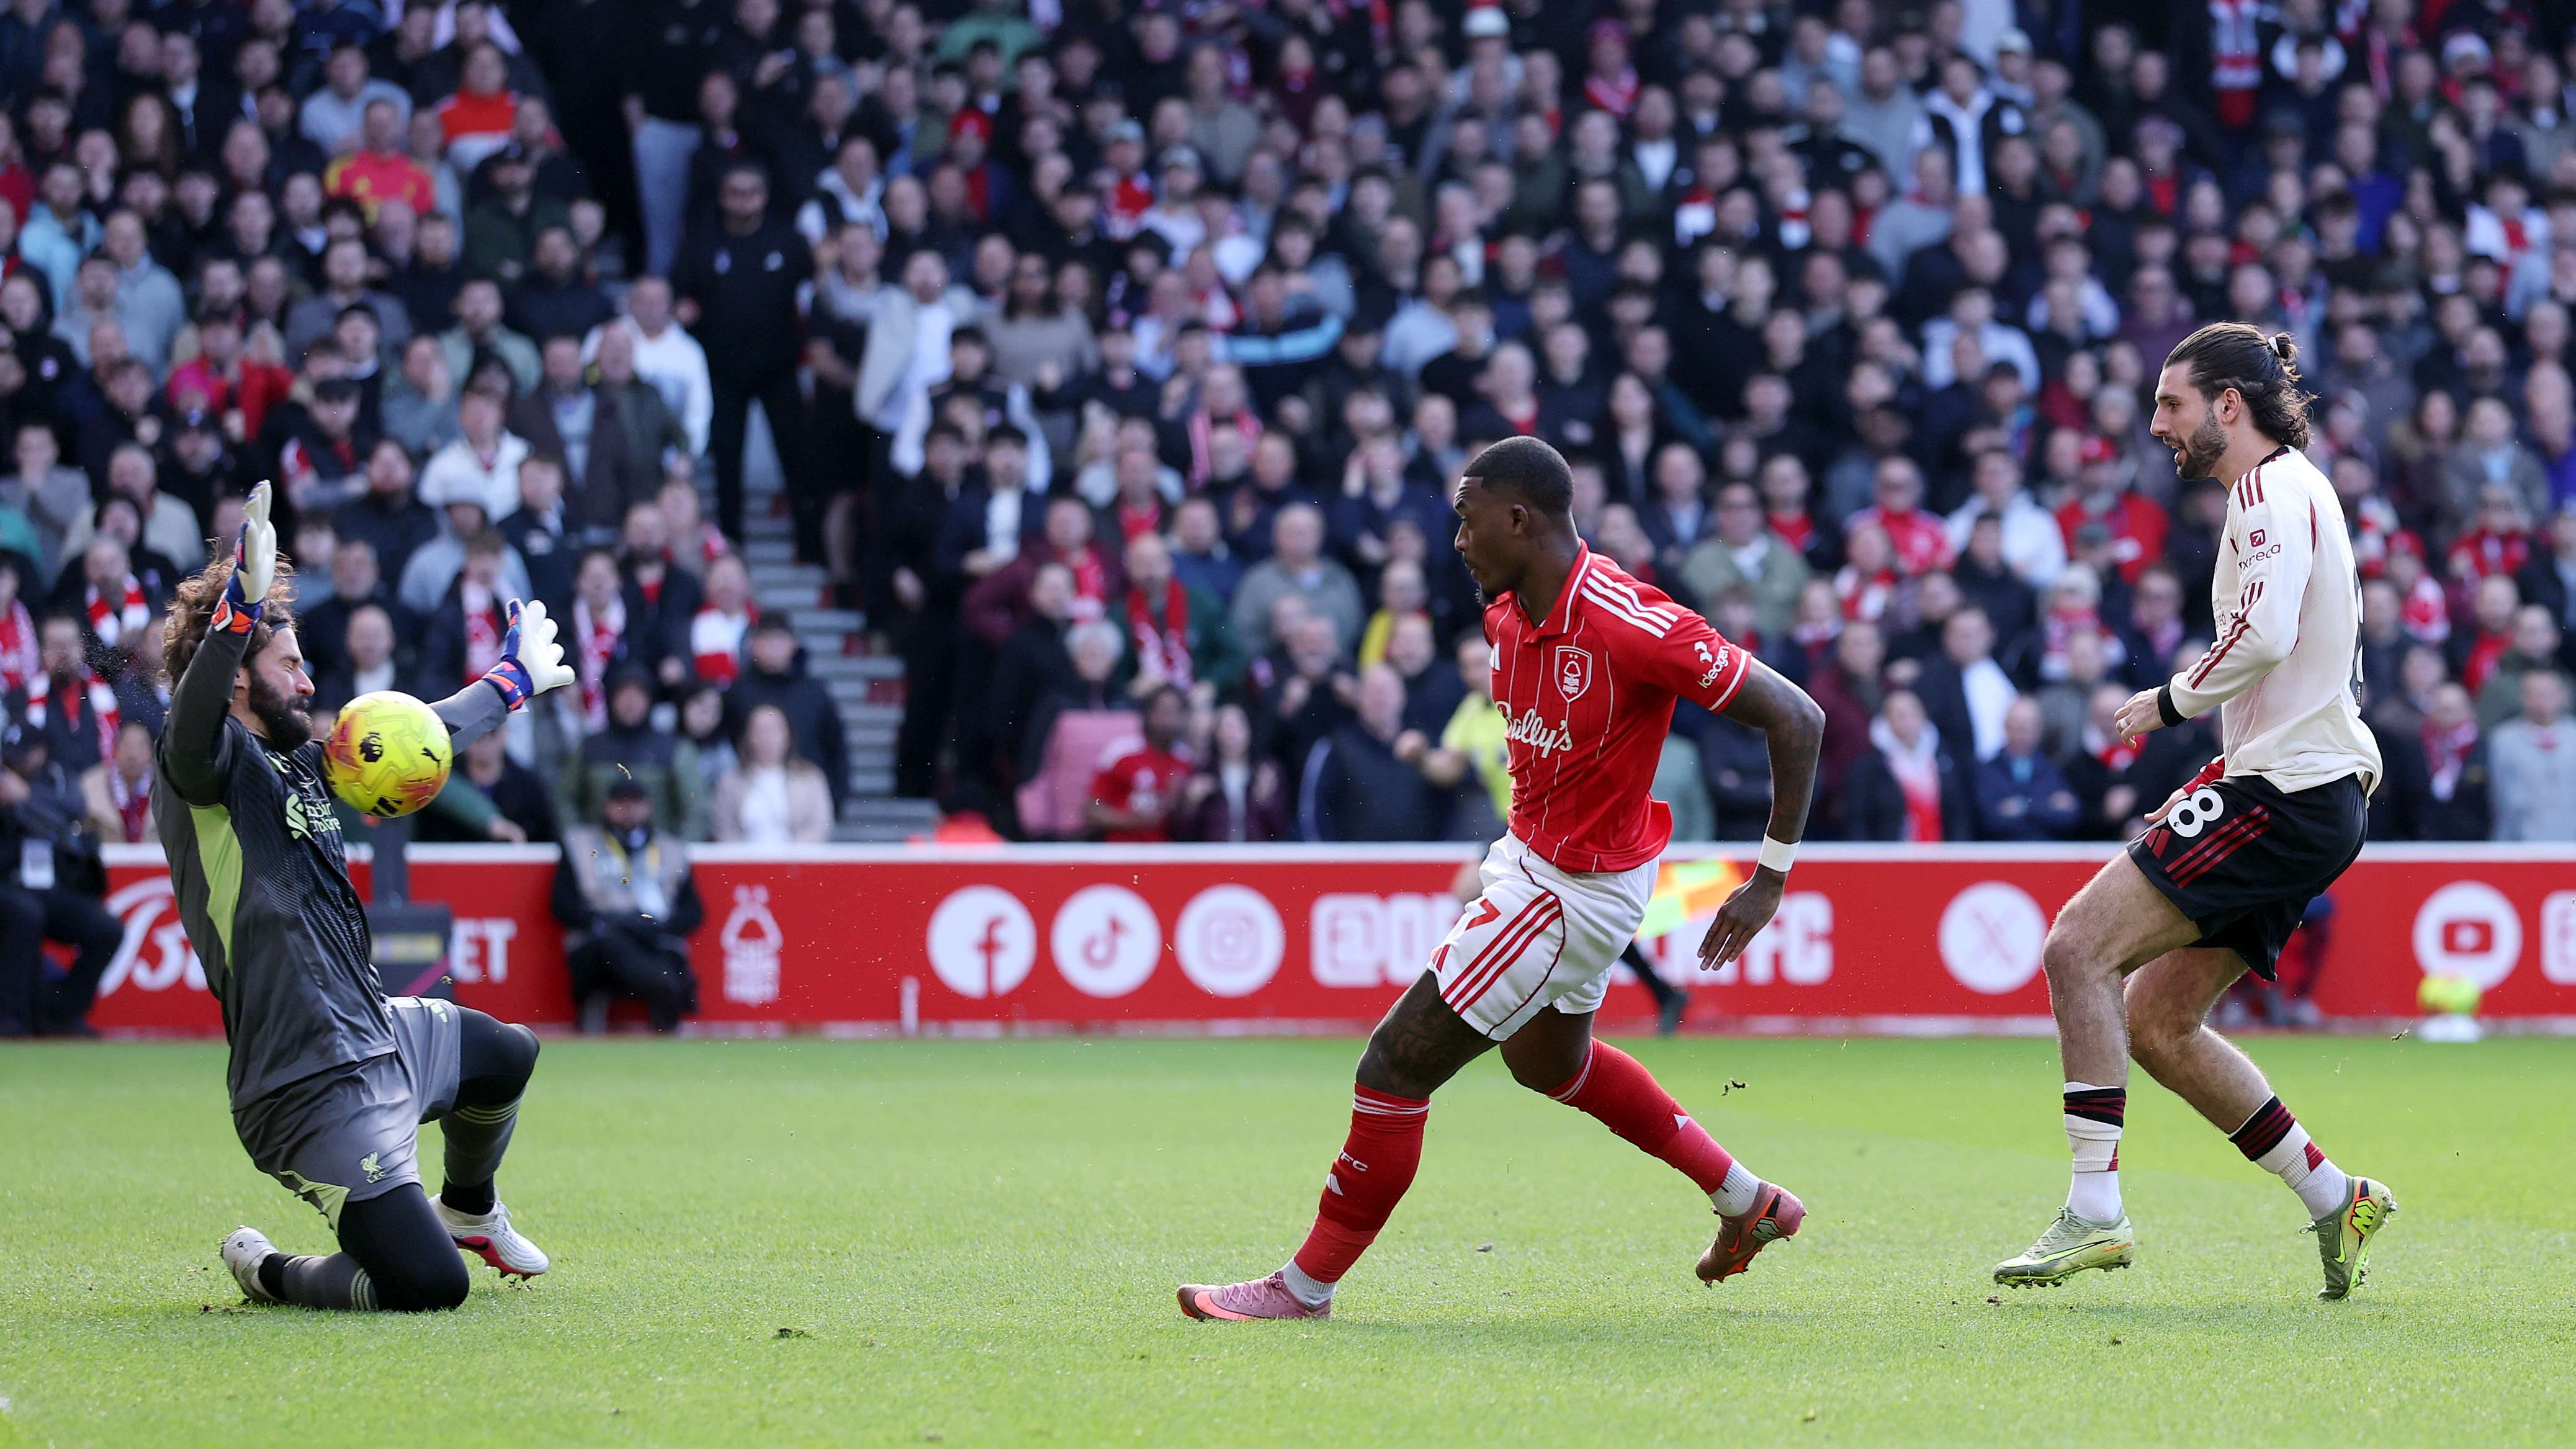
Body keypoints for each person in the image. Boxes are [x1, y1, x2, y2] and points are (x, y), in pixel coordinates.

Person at [1178, 436, 1827, 1321]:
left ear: (1517, 518)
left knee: (1391, 1065)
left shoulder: (1631, 620)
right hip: (1538, 864)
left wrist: (1768, 878)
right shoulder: (1508, 616)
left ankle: (1302, 1287)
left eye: (1465, 515)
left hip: (1568, 889)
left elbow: (1797, 715)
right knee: (1549, 1064)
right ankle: (1746, 1198)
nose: (1455, 536)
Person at [1994, 326, 2395, 1299]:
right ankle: (2334, 1193)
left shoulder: (2263, 490)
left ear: (2226, 404)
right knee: (2157, 1021)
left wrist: (2163, 699)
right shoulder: (2301, 485)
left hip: (2283, 786)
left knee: (2073, 947)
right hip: (2316, 791)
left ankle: (2094, 1207)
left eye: (2171, 403)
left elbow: (2261, 632)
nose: (2154, 422)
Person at [159, 485, 580, 1312]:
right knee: (426, 1285)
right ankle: (273, 1270)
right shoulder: (202, 770)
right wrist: (237, 612)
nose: (310, 681)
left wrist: (513, 679)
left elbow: (422, 731)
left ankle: (468, 1205)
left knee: (507, 1053)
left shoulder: (305, 764)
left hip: (377, 1033)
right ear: (237, 682)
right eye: (290, 665)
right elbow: (190, 717)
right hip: (303, 1083)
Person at [552, 776, 704, 1033]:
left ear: (649, 806)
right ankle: (665, 985)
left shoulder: (670, 848)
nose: (628, 809)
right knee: (610, 943)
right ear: (606, 806)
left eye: (635, 802)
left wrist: (662, 926)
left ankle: (663, 986)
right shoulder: (582, 845)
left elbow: (694, 911)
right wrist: (598, 922)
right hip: (600, 940)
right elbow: (561, 903)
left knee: (645, 946)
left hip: (652, 937)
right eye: (620, 802)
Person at [0, 718, 120, 1037]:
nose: (15, 764)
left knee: (107, 930)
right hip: (7, 882)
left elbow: (73, 813)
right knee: (25, 915)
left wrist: (23, 800)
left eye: (22, 755)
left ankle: (62, 1013)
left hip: (51, 885)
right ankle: (12, 1020)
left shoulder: (57, 780)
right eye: (10, 757)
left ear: (40, 752)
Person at [710, 701, 832, 843]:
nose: (768, 738)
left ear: (788, 736)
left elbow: (820, 824)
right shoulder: (731, 780)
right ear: (748, 737)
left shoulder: (811, 778)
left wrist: (792, 853)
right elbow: (723, 828)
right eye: (761, 730)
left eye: (774, 730)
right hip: (744, 861)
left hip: (796, 860)